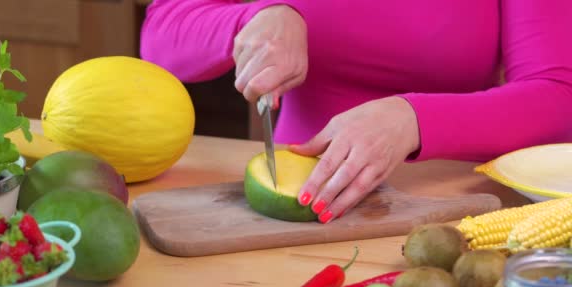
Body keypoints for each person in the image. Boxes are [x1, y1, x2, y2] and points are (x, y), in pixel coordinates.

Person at [140, 1, 572, 224]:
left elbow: (558, 97)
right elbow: (161, 37)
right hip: (292, 213)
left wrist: (413, 120)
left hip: (447, 208)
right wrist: (253, 18)